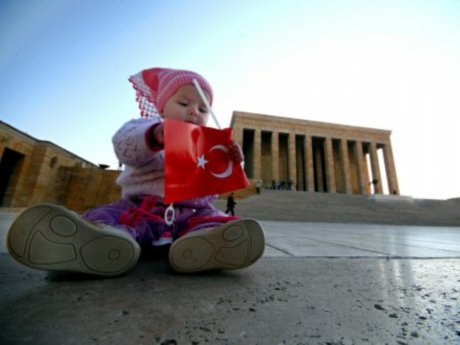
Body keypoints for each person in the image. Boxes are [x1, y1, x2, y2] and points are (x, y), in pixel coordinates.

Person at [6, 67, 265, 276]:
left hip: (191, 215)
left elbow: (214, 183)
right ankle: (104, 241)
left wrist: (231, 159)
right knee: (113, 218)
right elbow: (124, 146)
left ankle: (205, 245)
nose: (194, 111)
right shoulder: (146, 126)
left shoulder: (207, 145)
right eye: (184, 102)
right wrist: (154, 136)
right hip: (142, 210)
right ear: (163, 107)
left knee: (212, 222)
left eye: (203, 109)